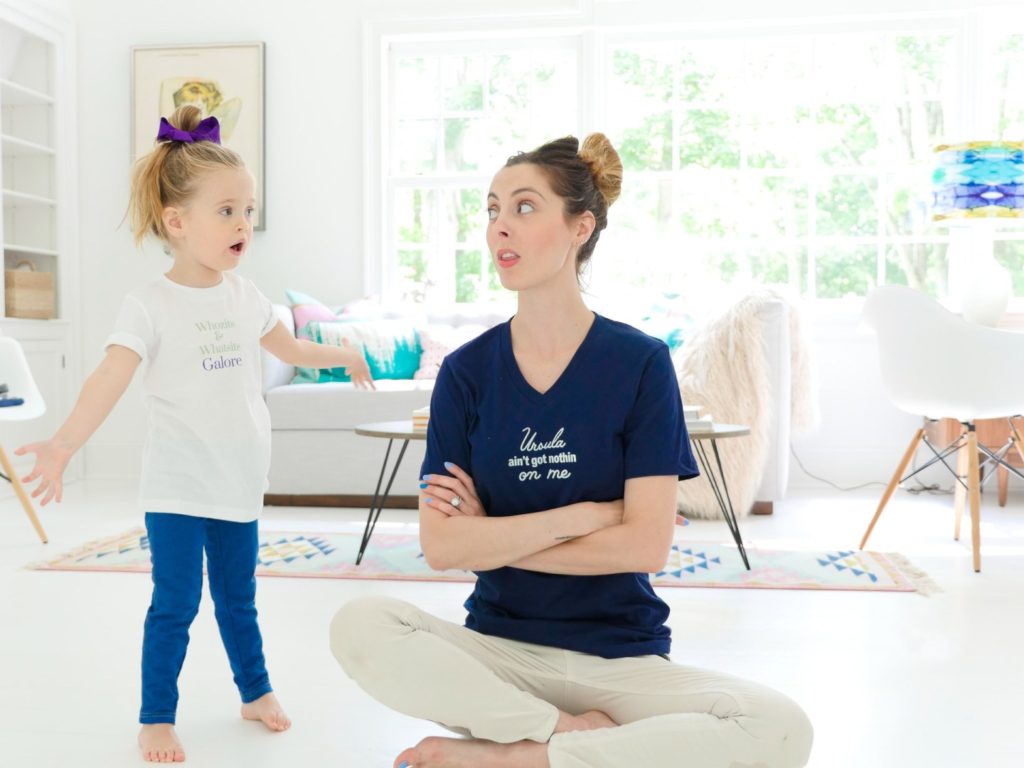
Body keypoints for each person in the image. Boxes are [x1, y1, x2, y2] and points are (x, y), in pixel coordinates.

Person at [329, 133, 813, 768]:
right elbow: (443, 547)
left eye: (524, 207)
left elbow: (646, 546)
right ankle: (567, 734)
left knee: (780, 727)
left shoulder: (640, 364)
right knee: (360, 625)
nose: (500, 227)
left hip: (623, 661)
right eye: (492, 210)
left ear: (580, 227)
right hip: (500, 654)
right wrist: (580, 519)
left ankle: (515, 757)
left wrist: (491, 535)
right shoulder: (467, 374)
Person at [16, 105, 374, 764]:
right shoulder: (149, 304)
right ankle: (156, 716)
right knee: (176, 602)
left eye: (248, 210)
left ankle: (255, 691)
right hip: (178, 486)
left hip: (239, 481)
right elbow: (109, 376)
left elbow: (292, 349)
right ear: (177, 223)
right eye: (227, 211)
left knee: (240, 600)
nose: (243, 224)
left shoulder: (247, 297)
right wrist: (63, 444)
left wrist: (344, 354)